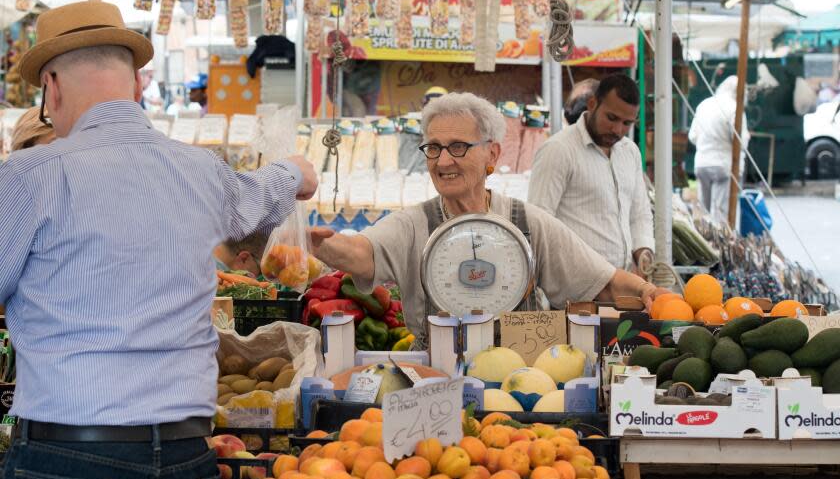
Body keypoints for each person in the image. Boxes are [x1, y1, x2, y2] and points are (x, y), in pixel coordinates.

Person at [0, 1, 317, 479]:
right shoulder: (200, 170)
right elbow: (258, 196)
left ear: (52, 88)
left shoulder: (28, 177)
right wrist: (297, 171)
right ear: (136, 84)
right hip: (185, 460)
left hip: (65, 462)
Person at [310, 92, 670, 348]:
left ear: (492, 154)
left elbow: (598, 282)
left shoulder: (527, 221)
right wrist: (315, 243)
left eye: (458, 147)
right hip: (436, 380)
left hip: (521, 383)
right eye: (433, 148)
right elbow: (360, 253)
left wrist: (645, 291)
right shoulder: (413, 224)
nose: (443, 161)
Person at [528, 73, 654, 274]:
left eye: (627, 123)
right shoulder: (558, 149)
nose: (617, 129)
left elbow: (639, 213)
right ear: (593, 104)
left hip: (622, 283)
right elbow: (538, 223)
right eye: (611, 118)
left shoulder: (630, 152)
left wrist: (644, 252)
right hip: (575, 286)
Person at [688, 76, 750, 224]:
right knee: (721, 215)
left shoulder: (704, 105)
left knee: (704, 213)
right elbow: (740, 142)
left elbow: (692, 136)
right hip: (724, 165)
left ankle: (704, 243)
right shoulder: (735, 108)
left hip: (702, 163)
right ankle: (718, 246)